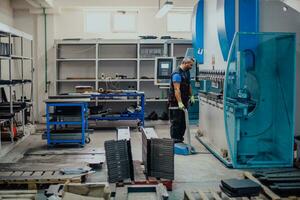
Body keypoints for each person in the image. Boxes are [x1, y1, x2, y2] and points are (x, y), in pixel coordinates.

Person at [168, 57, 195, 143]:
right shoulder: (177, 74)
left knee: (183, 122)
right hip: (175, 102)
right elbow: (177, 89)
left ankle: (180, 139)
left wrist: (191, 96)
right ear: (185, 63)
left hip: (184, 100)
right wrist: (179, 102)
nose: (191, 67)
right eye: (190, 65)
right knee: (176, 121)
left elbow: (189, 84)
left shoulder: (187, 72)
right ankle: (174, 140)